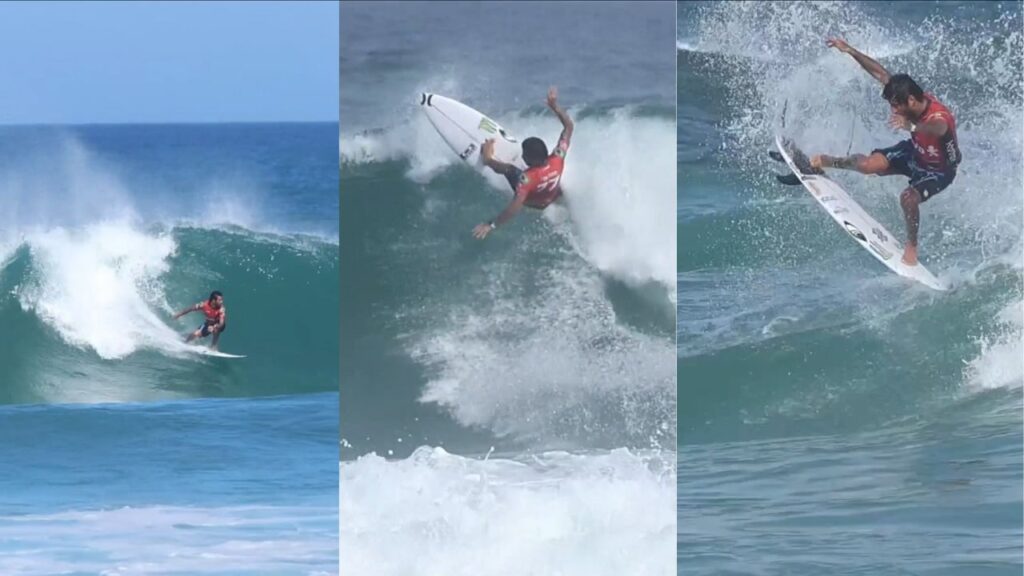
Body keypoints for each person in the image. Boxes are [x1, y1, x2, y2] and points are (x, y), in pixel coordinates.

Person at [808, 38, 961, 265]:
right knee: (867, 165)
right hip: (915, 153)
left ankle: (912, 246)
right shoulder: (906, 93)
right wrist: (850, 50)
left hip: (939, 171)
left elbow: (939, 129)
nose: (893, 109)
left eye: (896, 105)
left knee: (908, 199)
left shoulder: (939, 116)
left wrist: (912, 127)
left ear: (911, 100)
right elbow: (881, 74)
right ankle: (830, 161)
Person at [472, 86, 574, 239]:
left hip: (535, 204)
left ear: (529, 159)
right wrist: (554, 106)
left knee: (510, 169)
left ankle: (488, 159)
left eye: (524, 154)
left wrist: (491, 225)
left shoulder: (526, 179)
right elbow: (569, 127)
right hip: (552, 196)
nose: (523, 155)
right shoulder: (558, 158)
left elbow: (515, 207)